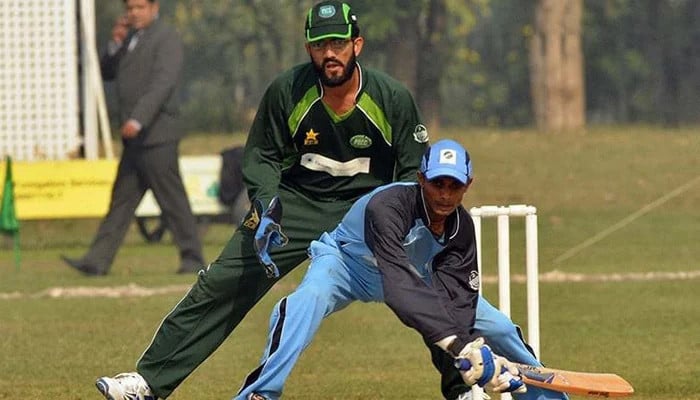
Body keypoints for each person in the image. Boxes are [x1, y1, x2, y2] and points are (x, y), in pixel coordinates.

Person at [94, 3, 566, 400]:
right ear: (310, 50)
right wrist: (265, 205)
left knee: (433, 288)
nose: (330, 53)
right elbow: (260, 154)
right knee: (224, 280)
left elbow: (412, 170)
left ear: (356, 45)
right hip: (297, 206)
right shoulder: (289, 91)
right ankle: (149, 381)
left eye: (338, 43)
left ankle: (460, 387)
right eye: (320, 45)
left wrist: (409, 230)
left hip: (375, 211)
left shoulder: (390, 98)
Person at [235, 140, 566, 400]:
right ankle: (260, 393)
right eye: (438, 184)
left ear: (468, 186)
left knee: (501, 328)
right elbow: (398, 286)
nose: (445, 195)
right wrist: (462, 348)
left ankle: (546, 398)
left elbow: (460, 303)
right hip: (346, 264)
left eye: (455, 186)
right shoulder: (389, 206)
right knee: (304, 302)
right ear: (420, 179)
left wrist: (473, 351)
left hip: (413, 277)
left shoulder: (460, 230)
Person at [61, 0, 204, 276]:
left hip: (157, 134)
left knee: (171, 200)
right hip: (135, 138)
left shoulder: (167, 38)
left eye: (139, 7)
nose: (133, 13)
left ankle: (193, 257)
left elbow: (162, 84)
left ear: (154, 7)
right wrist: (114, 44)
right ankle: (96, 261)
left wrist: (138, 119)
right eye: (130, 8)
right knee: (121, 202)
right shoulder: (129, 38)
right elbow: (107, 71)